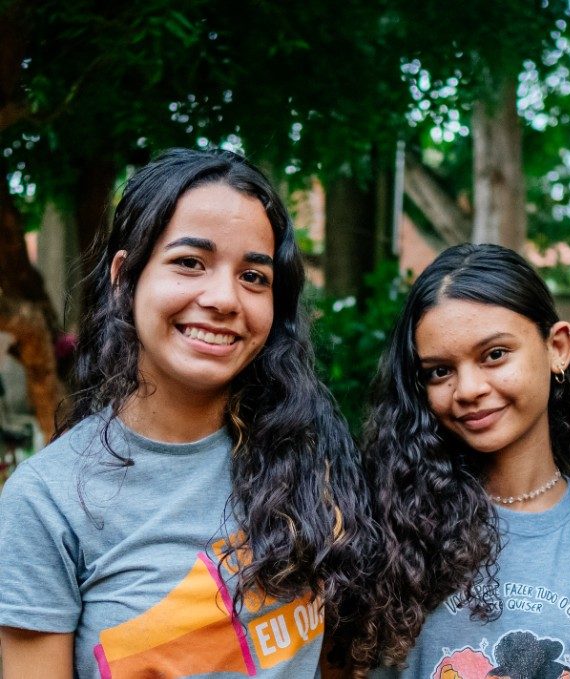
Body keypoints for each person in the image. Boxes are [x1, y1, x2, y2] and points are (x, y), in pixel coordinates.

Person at [0, 149, 375, 677]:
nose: (224, 298)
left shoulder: (312, 462)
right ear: (124, 275)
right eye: (190, 263)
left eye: (254, 277)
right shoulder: (45, 503)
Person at [365, 243, 570, 678]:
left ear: (558, 347)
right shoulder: (395, 527)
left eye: (494, 355)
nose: (468, 388)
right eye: (439, 370)